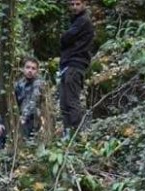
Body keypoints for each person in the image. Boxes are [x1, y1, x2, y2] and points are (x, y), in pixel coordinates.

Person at [59, 0, 95, 137]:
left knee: (71, 101)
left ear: (84, 4)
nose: (74, 7)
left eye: (77, 4)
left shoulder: (83, 21)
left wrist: (64, 37)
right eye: (72, 4)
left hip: (75, 63)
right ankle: (67, 134)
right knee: (64, 103)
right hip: (68, 64)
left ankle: (76, 135)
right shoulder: (76, 21)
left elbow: (66, 38)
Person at [0, 58, 44, 150]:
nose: (30, 71)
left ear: (37, 71)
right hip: (18, 118)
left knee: (20, 134)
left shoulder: (38, 84)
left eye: (33, 68)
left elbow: (33, 103)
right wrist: (0, 122)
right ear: (23, 69)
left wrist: (22, 119)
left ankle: (15, 151)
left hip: (31, 120)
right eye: (28, 67)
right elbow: (8, 104)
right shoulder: (20, 84)